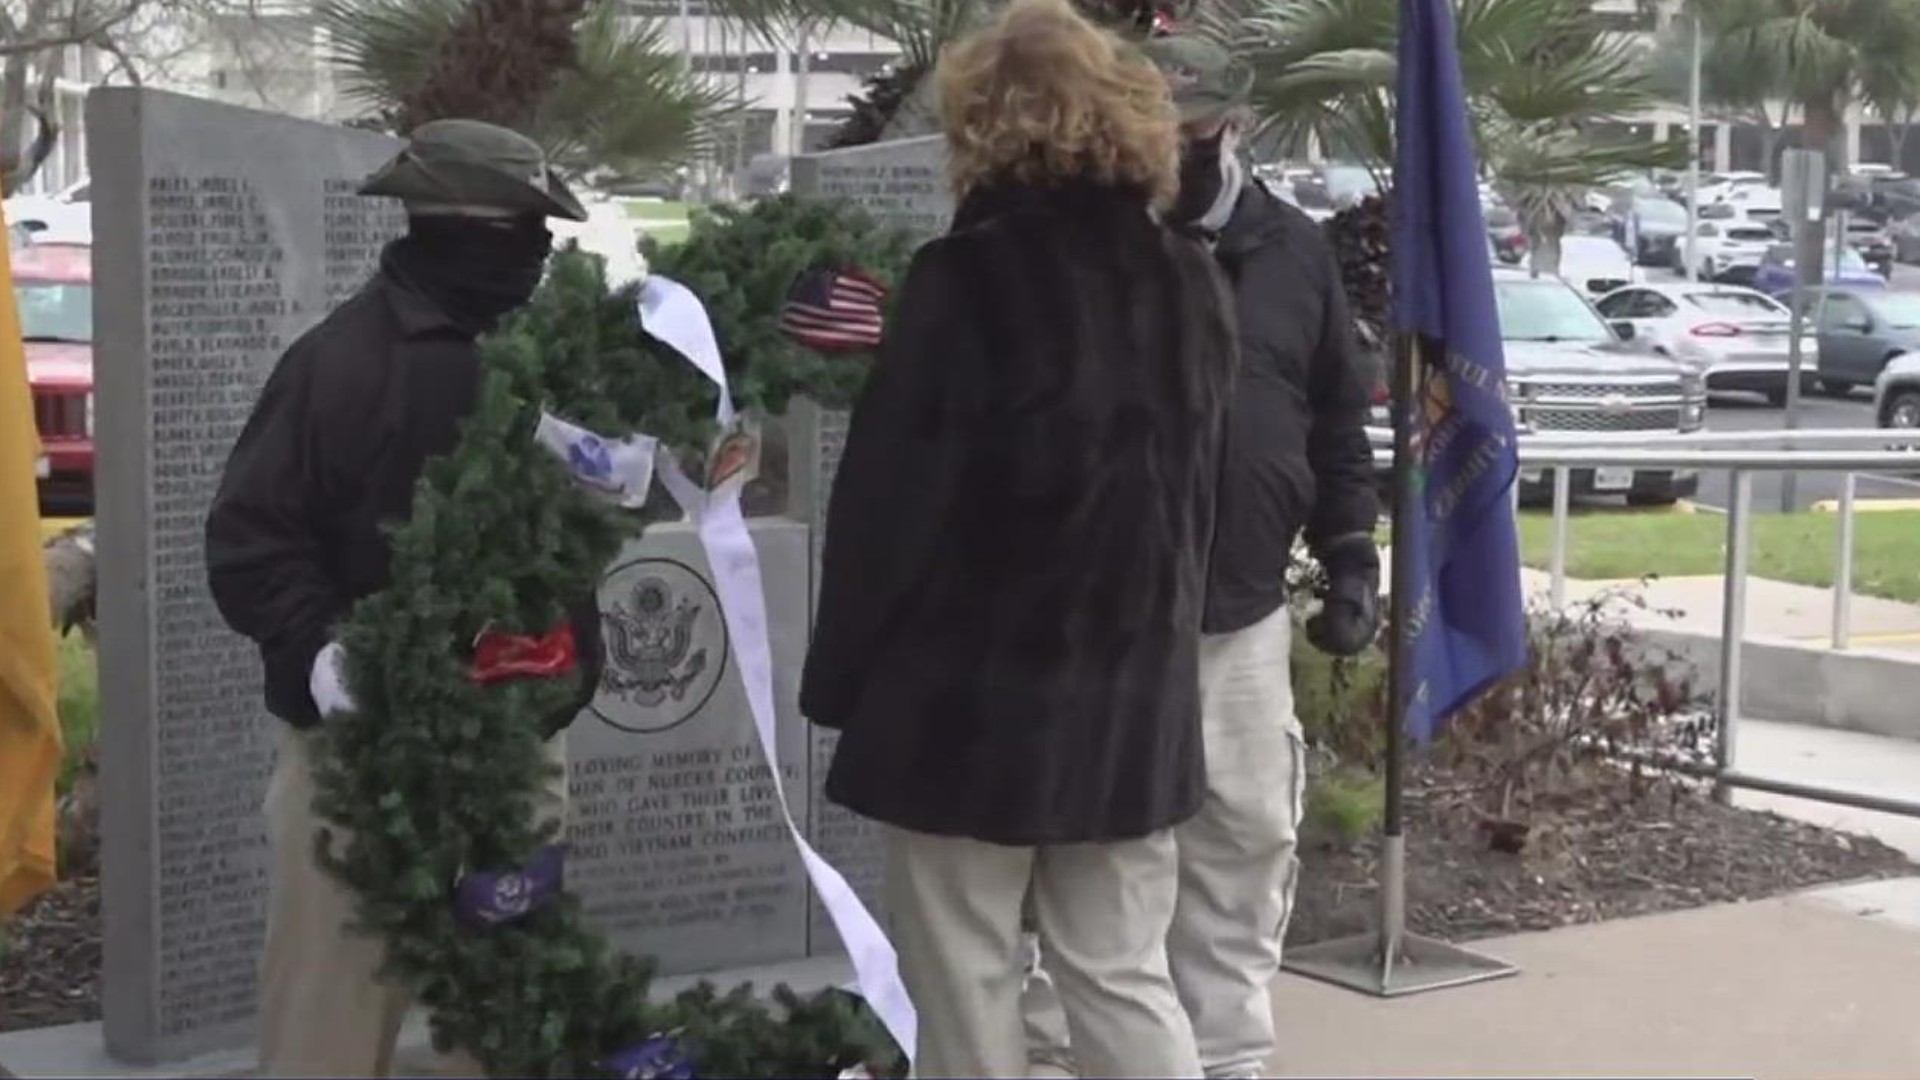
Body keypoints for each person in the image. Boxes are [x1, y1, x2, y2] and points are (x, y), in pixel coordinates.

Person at [798, 0, 1238, 1075]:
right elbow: (1198, 492)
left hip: (969, 696)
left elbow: (891, 505)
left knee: (965, 975)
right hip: (1133, 687)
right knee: (1123, 970)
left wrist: (838, 681)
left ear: (983, 125)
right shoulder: (1189, 279)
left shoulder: (966, 280)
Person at [204, 119, 599, 1078]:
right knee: (327, 1029)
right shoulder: (336, 365)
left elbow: (585, 516)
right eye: (519, 229)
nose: (535, 253)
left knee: (511, 1024)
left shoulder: (550, 360)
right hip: (358, 767)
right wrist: (328, 660)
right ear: (453, 225)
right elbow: (251, 538)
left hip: (514, 744)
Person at [1031, 33, 1387, 1080]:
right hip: (1100, 615)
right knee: (1096, 846)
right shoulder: (1070, 248)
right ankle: (1060, 1054)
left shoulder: (1292, 250)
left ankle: (1227, 1055)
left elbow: (1334, 418)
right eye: (1150, 132)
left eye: (1190, 132)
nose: (1169, 151)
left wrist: (1352, 554)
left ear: (1231, 128)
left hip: (1239, 613)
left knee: (1245, 837)